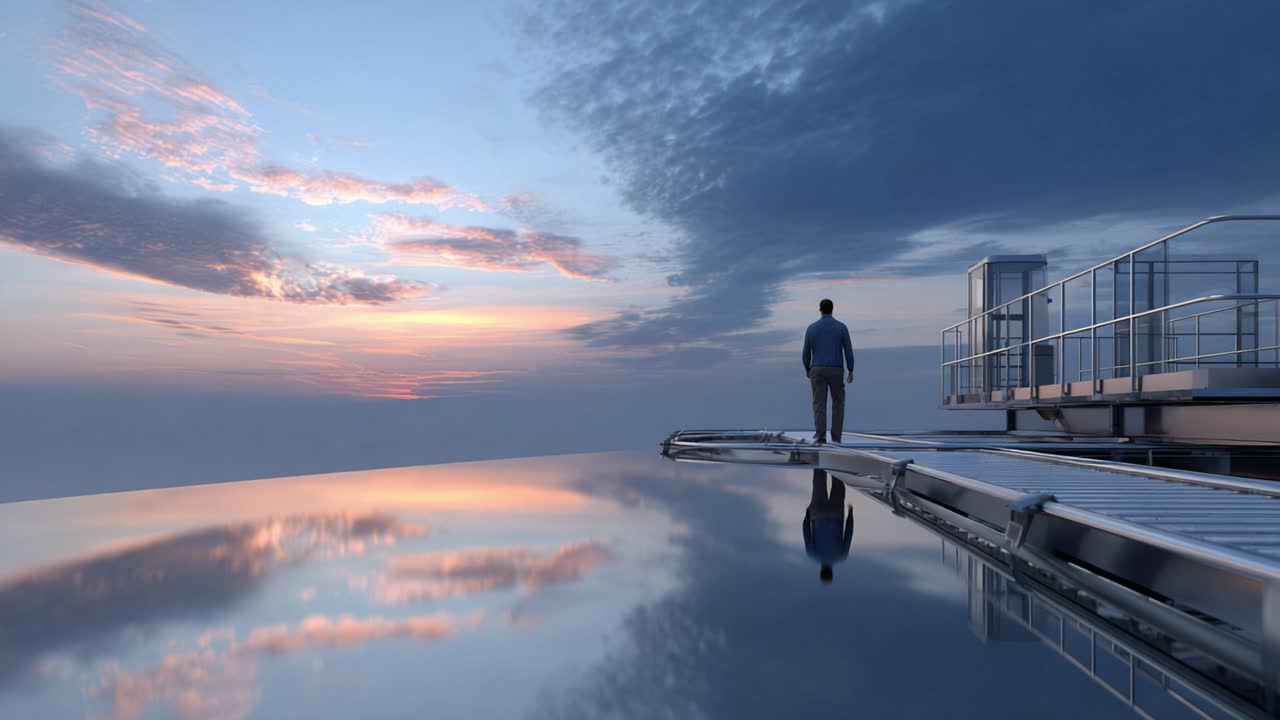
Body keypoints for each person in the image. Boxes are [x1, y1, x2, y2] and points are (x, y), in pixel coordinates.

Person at [801, 298, 855, 444]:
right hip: (837, 369)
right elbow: (848, 350)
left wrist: (807, 367)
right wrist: (850, 369)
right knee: (838, 403)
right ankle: (836, 439)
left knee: (819, 404)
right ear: (832, 309)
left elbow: (806, 351)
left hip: (817, 369)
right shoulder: (841, 327)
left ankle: (820, 437)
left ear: (820, 310)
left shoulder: (811, 328)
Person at [803, 469, 854, 583]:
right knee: (818, 483)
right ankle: (819, 457)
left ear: (831, 572)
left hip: (836, 516)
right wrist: (807, 516)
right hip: (818, 516)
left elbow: (848, 534)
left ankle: (836, 461)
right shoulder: (812, 555)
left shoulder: (841, 557)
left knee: (838, 485)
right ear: (820, 571)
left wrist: (850, 514)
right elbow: (806, 534)